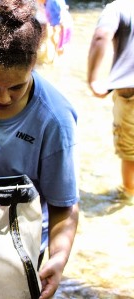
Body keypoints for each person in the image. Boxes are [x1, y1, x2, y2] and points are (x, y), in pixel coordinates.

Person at [0, 0, 79, 298]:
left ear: (33, 66)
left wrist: (58, 259)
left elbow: (64, 206)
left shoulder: (55, 120)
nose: (3, 97)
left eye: (16, 87)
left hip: (19, 243)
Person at [87, 0, 134, 202]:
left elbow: (101, 36)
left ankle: (129, 196)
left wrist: (93, 78)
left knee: (131, 152)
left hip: (130, 91)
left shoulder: (118, 7)